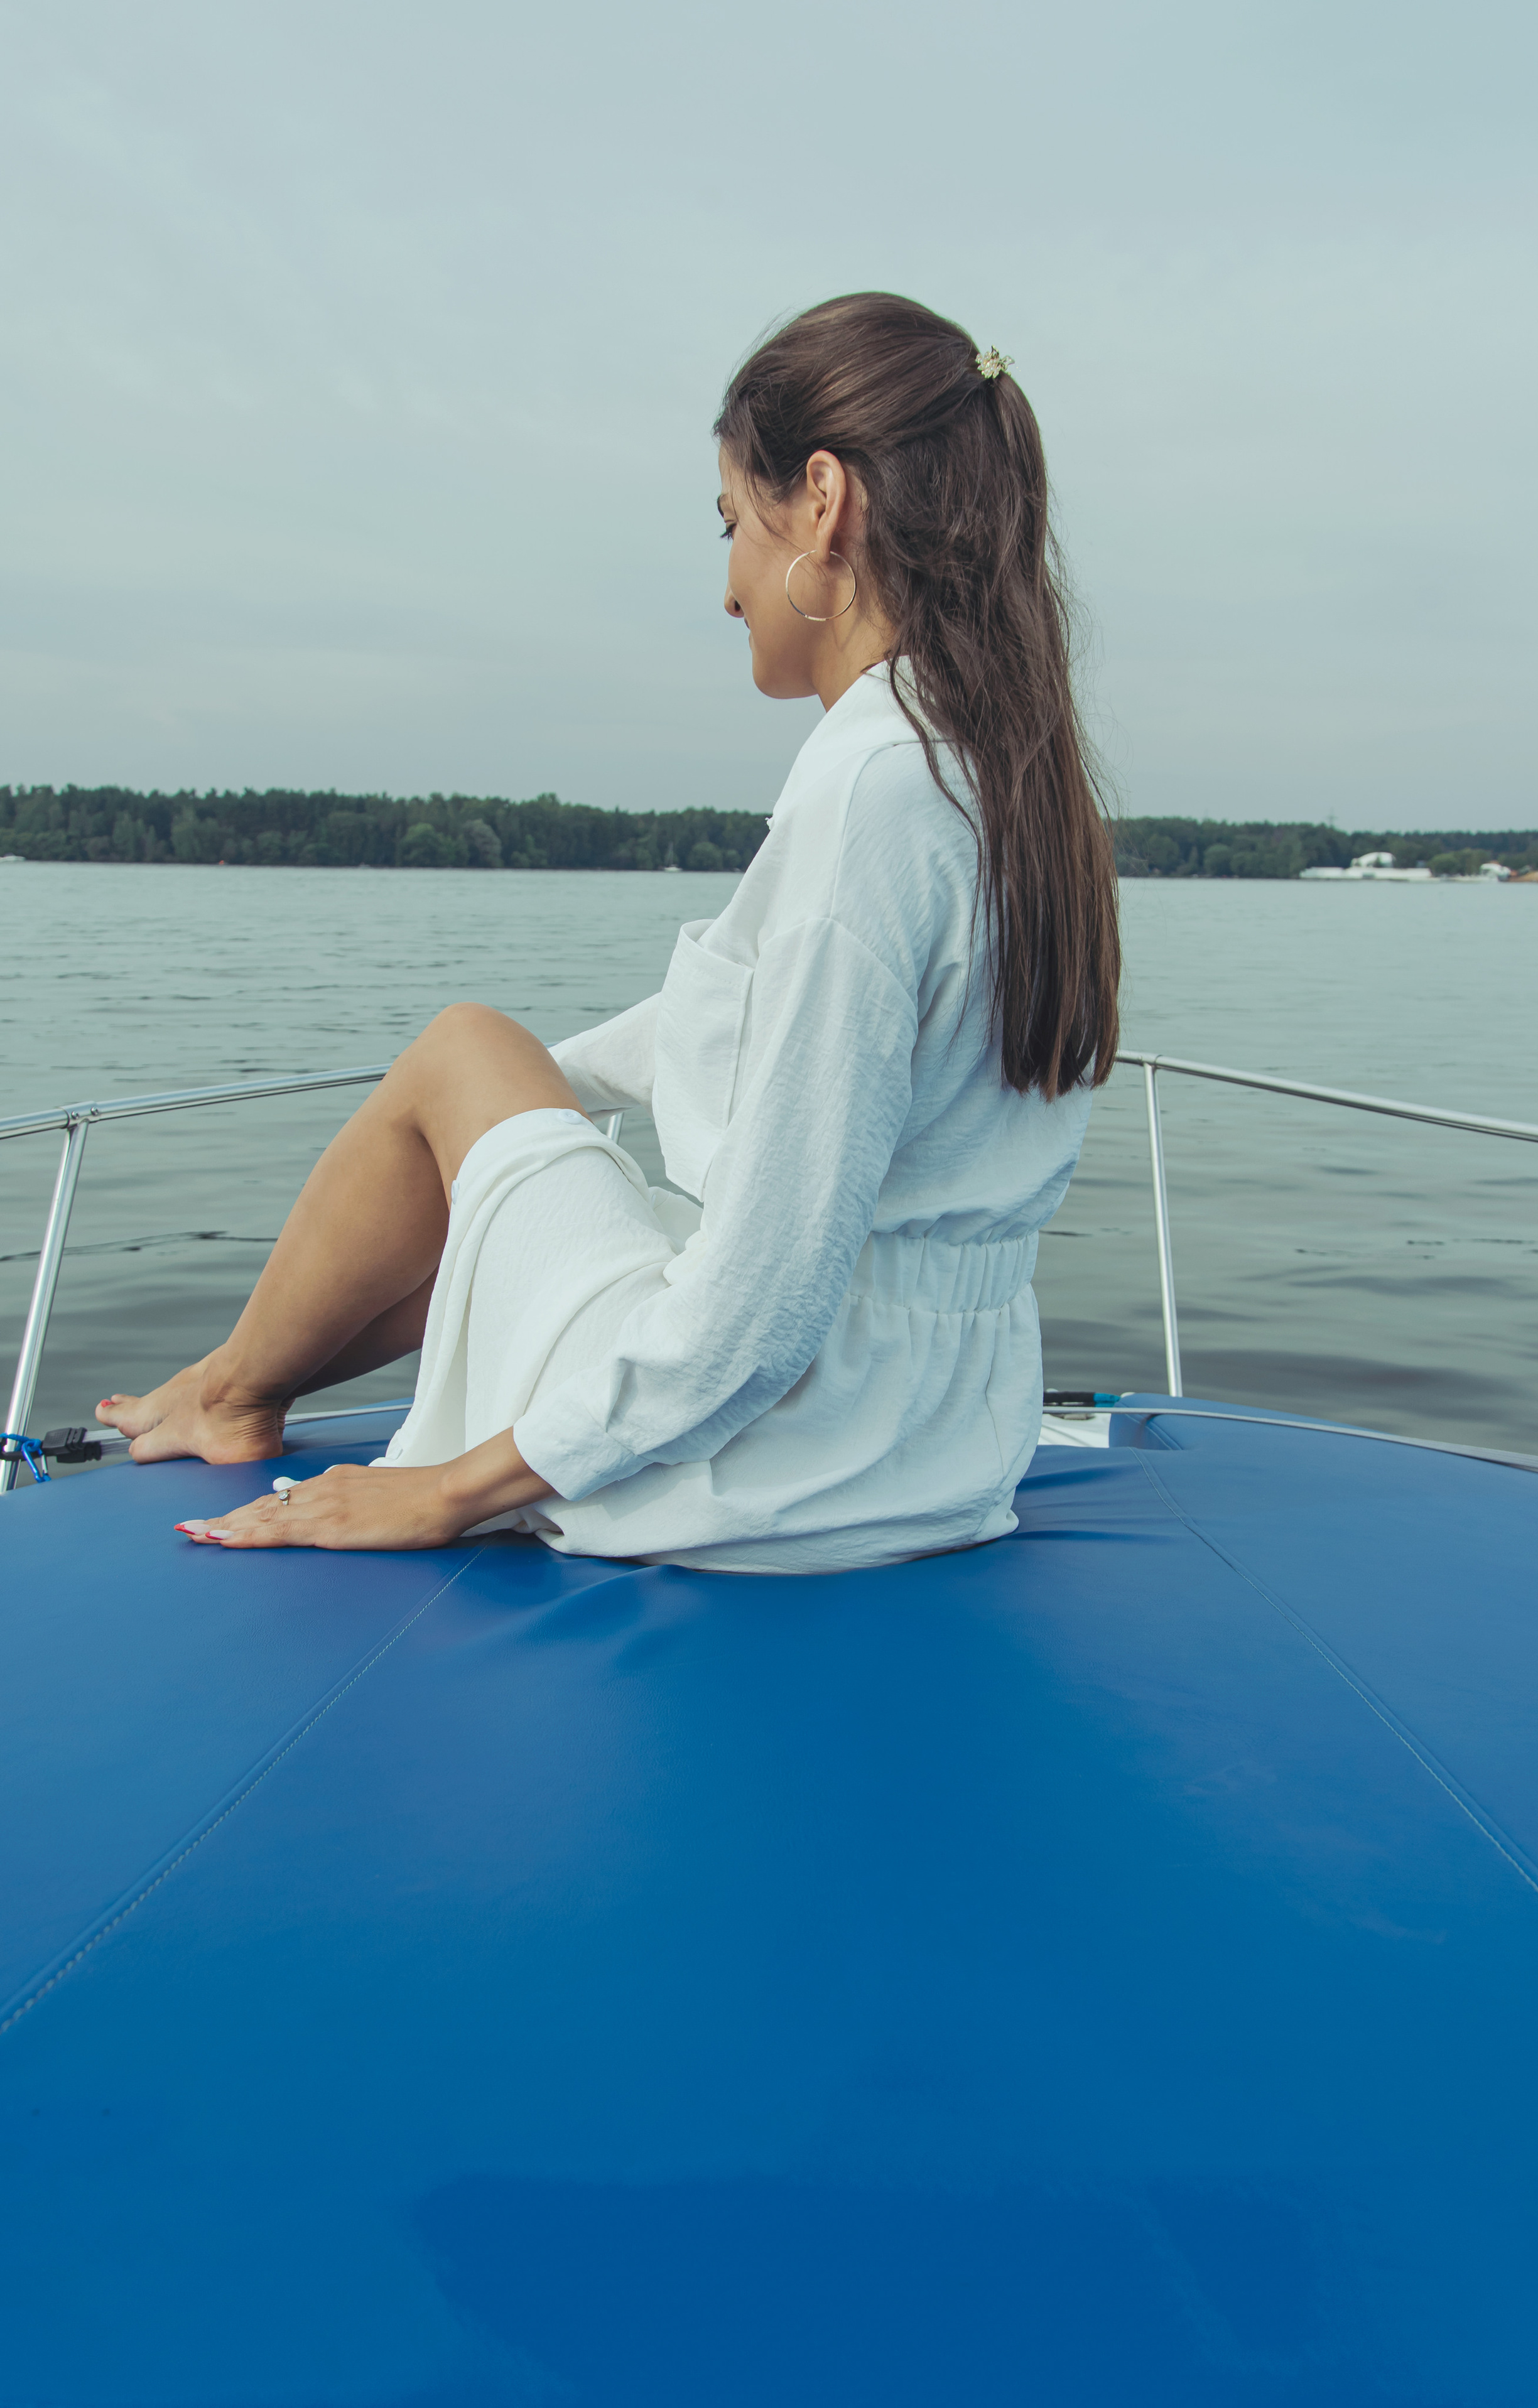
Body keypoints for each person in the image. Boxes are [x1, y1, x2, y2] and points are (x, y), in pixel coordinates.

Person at [97, 293, 1121, 1572]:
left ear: (821, 501)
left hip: (787, 1467)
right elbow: (759, 1016)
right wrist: (515, 1125)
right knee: (483, 1079)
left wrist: (447, 1489)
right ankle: (230, 1382)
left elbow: (760, 1311)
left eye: (730, 522)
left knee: (458, 1042)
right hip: (942, 1439)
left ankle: (230, 1392)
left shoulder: (871, 797)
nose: (729, 582)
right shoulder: (1007, 776)